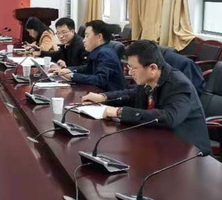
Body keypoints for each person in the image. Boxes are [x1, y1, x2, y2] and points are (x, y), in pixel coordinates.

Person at [83, 40, 212, 154]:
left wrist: (119, 112)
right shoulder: (149, 79)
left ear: (152, 68)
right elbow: (132, 94)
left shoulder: (179, 85)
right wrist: (103, 97)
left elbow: (169, 117)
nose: (130, 72)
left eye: (134, 68)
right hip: (158, 142)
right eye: (129, 67)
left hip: (188, 152)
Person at [55, 19, 126, 92]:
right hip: (96, 92)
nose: (83, 40)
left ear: (99, 37)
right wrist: (69, 70)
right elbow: (87, 68)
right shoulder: (98, 51)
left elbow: (100, 79)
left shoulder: (105, 54)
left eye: (87, 36)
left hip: (110, 96)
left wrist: (72, 76)